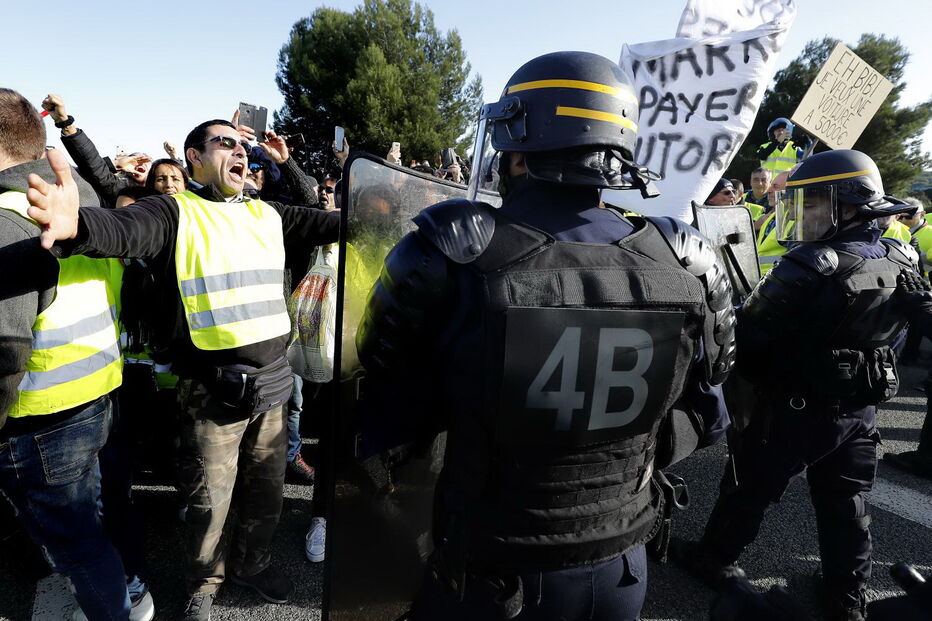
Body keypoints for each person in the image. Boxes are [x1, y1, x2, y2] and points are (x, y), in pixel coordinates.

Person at [355, 51, 735, 620]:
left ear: (516, 146)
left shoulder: (454, 251)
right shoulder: (686, 258)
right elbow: (709, 418)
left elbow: (388, 412)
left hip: (489, 570)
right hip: (622, 561)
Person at [24, 119, 340, 621]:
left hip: (275, 387)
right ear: (194, 157)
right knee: (207, 502)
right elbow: (126, 227)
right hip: (213, 393)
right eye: (226, 143)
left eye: (244, 146)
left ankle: (251, 568)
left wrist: (389, 207)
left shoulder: (267, 213)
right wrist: (80, 226)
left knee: (267, 496)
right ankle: (205, 584)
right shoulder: (177, 212)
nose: (240, 152)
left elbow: (334, 220)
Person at [679, 149, 921, 621]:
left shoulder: (813, 262)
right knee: (846, 502)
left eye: (811, 203)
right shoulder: (901, 253)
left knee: (749, 490)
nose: (801, 214)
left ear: (847, 205)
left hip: (796, 407)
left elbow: (749, 334)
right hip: (860, 410)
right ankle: (846, 597)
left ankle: (713, 559)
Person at [0, 88, 134, 620]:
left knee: (77, 546)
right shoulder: (76, 195)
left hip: (38, 418)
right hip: (95, 391)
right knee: (89, 522)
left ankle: (111, 611)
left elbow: (4, 351)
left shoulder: (9, 214)